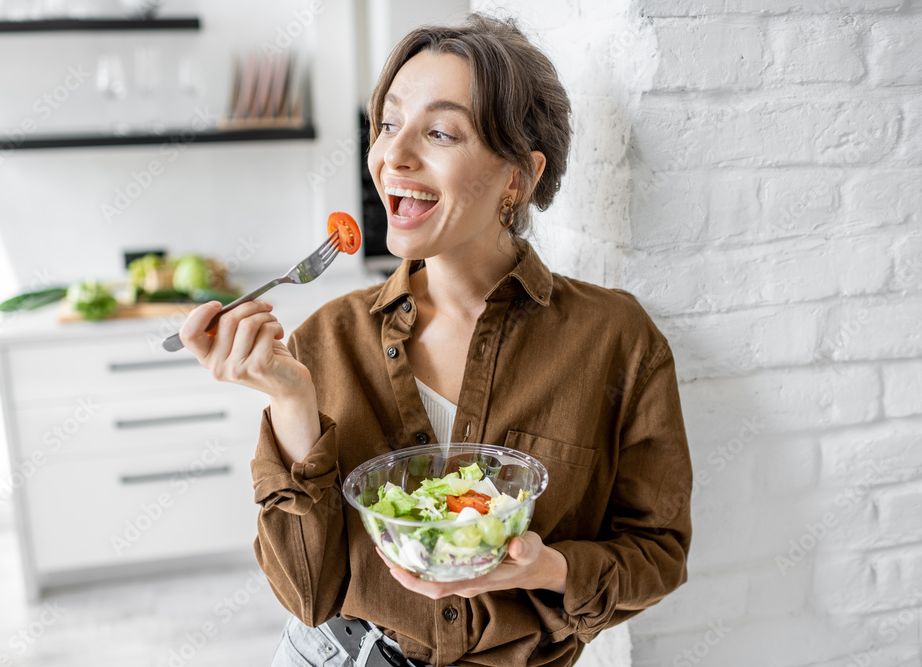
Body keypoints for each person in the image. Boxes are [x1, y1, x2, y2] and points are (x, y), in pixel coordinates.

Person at [178, 13, 692, 667]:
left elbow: (658, 553)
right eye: (389, 123)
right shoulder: (324, 342)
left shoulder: (617, 341)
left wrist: (546, 567)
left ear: (518, 177)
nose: (393, 155)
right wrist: (291, 404)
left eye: (441, 131)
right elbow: (308, 593)